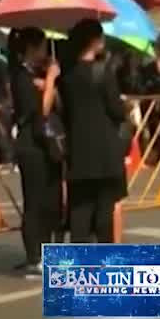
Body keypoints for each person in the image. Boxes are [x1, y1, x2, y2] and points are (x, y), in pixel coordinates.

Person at [60, 19, 130, 243]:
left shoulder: (66, 74)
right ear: (94, 41)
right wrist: (125, 105)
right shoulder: (103, 72)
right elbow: (116, 110)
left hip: (78, 151)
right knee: (104, 213)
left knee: (80, 213)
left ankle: (79, 261)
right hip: (104, 152)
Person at [11, 29, 60, 275]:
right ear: (31, 48)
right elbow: (41, 111)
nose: (44, 53)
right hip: (30, 145)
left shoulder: (35, 75)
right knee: (34, 201)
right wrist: (50, 80)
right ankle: (33, 255)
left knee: (50, 200)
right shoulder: (21, 76)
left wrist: (48, 83)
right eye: (41, 47)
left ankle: (46, 249)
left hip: (46, 144)